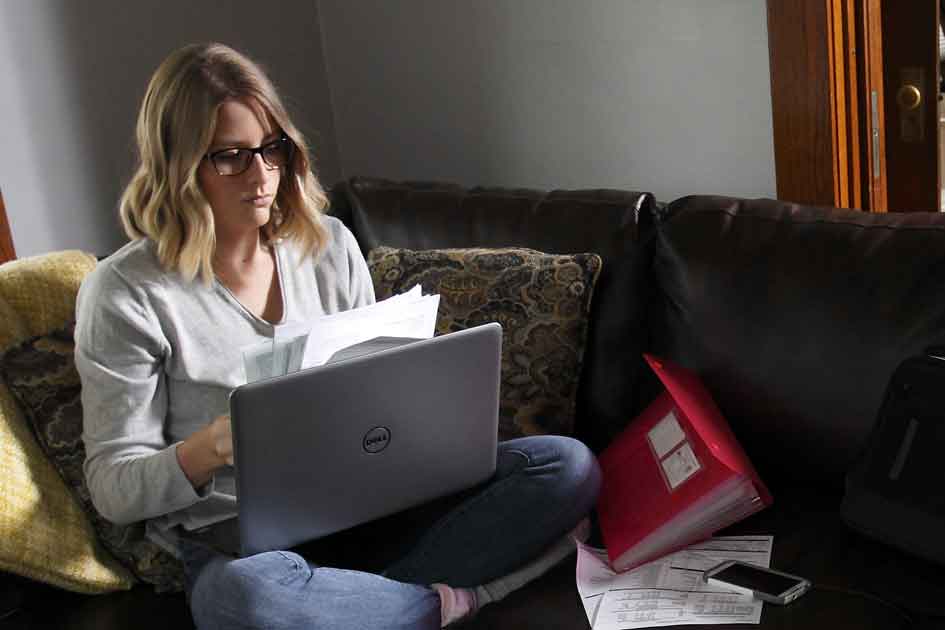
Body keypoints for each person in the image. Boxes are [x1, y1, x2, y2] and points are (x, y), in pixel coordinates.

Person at [75, 42, 601, 630]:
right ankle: (453, 601)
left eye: (271, 149)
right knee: (249, 602)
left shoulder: (327, 246)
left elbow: (374, 398)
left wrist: (419, 421)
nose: (262, 175)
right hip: (247, 549)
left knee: (565, 466)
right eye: (231, 157)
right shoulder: (124, 293)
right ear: (177, 166)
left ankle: (365, 606)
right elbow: (113, 488)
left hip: (373, 511)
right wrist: (213, 448)